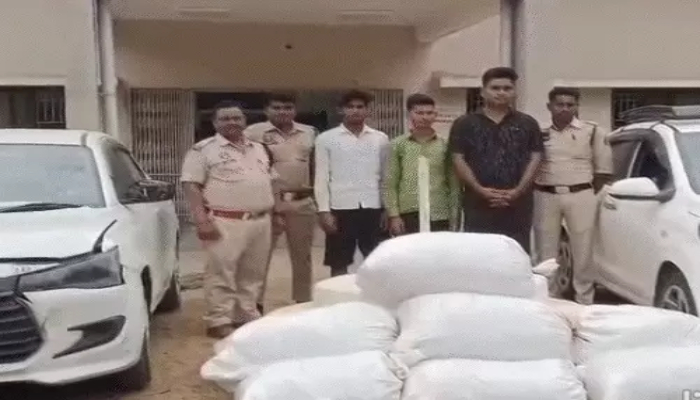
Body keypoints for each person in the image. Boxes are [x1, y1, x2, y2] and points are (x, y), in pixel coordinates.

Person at [181, 101, 277, 339]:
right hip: (225, 221)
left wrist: (277, 212)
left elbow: (270, 181)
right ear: (215, 123)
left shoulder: (259, 148)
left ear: (244, 121)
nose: (232, 122)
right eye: (225, 118)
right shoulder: (203, 150)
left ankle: (246, 315)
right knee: (221, 273)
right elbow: (191, 186)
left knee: (253, 274)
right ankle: (219, 319)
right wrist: (201, 220)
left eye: (236, 118)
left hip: (260, 221)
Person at [449, 67, 544, 254]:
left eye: (507, 88)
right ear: (483, 91)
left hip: (518, 202)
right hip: (478, 201)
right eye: (495, 88)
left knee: (516, 252)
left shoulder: (528, 123)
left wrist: (517, 191)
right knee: (479, 253)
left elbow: (536, 158)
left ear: (515, 92)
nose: (501, 93)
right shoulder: (465, 123)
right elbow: (458, 159)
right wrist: (480, 190)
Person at [534, 87, 612, 304]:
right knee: (545, 250)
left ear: (577, 107)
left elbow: (603, 171)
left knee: (583, 250)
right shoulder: (539, 132)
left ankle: (584, 300)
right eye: (560, 104)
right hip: (545, 194)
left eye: (570, 105)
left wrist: (587, 193)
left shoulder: (592, 131)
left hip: (581, 194)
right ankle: (548, 298)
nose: (565, 109)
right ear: (549, 106)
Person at [245, 92, 318, 304]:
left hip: (301, 201)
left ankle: (303, 301)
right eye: (276, 108)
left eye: (287, 107)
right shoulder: (253, 133)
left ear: (295, 110)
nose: (282, 112)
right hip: (266, 203)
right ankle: (255, 304)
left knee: (302, 257)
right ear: (266, 110)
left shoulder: (309, 132)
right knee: (259, 256)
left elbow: (316, 166)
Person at [314, 89, 390, 277]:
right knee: (338, 261)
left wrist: (387, 209)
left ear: (368, 110)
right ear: (341, 110)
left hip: (373, 206)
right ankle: (339, 295)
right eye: (350, 107)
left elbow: (386, 176)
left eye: (360, 107)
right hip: (340, 207)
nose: (355, 110)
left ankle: (374, 295)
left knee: (377, 261)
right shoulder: (326, 139)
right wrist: (324, 211)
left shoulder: (381, 138)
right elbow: (321, 177)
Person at [384, 93, 460, 235]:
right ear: (409, 114)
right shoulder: (398, 145)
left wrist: (454, 217)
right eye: (419, 113)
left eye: (429, 113)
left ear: (435, 115)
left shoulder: (445, 145)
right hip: (409, 211)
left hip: (439, 212)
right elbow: (390, 182)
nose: (425, 117)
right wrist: (394, 215)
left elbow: (453, 184)